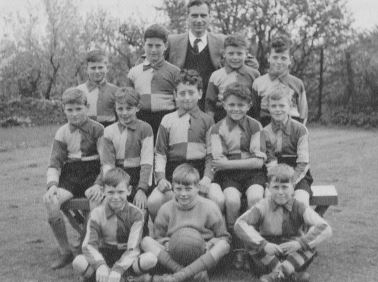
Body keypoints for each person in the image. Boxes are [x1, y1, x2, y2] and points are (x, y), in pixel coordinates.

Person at [234, 164, 332, 282]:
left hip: (292, 254)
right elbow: (239, 224)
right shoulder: (263, 206)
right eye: (276, 187)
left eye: (285, 187)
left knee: (310, 243)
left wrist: (300, 243)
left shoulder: (299, 206)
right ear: (268, 187)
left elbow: (324, 227)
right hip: (269, 255)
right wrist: (264, 245)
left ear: (293, 187)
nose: (280, 192)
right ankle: (290, 275)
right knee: (250, 242)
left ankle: (277, 275)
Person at [42, 87, 104, 269]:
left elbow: (106, 161)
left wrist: (100, 184)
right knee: (51, 201)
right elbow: (54, 162)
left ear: (87, 107)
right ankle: (66, 251)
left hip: (93, 173)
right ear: (64, 110)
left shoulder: (98, 129)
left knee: (95, 202)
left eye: (78, 109)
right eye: (69, 110)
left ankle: (88, 248)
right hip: (71, 174)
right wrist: (52, 185)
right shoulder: (62, 132)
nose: (74, 114)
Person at [208, 82, 267, 268]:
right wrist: (238, 162)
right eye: (231, 104)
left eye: (241, 105)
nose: (236, 109)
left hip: (253, 174)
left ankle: (254, 247)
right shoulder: (217, 128)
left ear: (249, 105)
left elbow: (258, 162)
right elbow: (218, 162)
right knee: (231, 201)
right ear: (224, 105)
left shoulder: (255, 125)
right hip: (229, 177)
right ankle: (237, 248)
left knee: (256, 197)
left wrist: (228, 163)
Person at [147, 69, 218, 221]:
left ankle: (216, 235)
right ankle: (162, 234)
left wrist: (207, 178)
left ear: (200, 93)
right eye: (182, 93)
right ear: (175, 95)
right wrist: (160, 179)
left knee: (219, 198)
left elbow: (212, 155)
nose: (187, 98)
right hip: (174, 172)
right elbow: (160, 153)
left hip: (199, 171)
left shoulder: (208, 121)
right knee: (153, 202)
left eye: (191, 93)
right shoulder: (167, 120)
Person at [141, 164, 230, 282]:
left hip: (202, 255)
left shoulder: (210, 207)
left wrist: (209, 244)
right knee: (146, 242)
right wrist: (167, 242)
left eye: (188, 189)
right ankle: (189, 274)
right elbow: (158, 237)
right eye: (178, 189)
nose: (183, 194)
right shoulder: (166, 209)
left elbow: (224, 237)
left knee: (223, 246)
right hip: (174, 254)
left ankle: (177, 277)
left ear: (197, 187)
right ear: (172, 187)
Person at [166, 0, 259, 111]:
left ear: (209, 17)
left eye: (203, 15)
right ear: (187, 17)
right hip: (183, 104)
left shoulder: (222, 41)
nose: (199, 20)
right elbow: (150, 58)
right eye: (194, 15)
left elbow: (251, 63)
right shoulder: (173, 41)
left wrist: (230, 73)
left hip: (214, 107)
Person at [72, 168, 157, 282]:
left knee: (150, 259)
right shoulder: (96, 213)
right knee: (78, 262)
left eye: (120, 192)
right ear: (103, 191)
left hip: (126, 256)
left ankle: (115, 278)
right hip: (104, 254)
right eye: (111, 192)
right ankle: (124, 279)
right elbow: (88, 246)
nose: (116, 197)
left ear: (129, 190)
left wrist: (118, 269)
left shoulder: (137, 214)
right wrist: (100, 265)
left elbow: (133, 249)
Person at [97, 87, 154, 210]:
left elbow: (147, 162)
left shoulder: (145, 129)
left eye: (129, 108)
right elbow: (107, 164)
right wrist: (112, 188)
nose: (124, 113)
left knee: (139, 209)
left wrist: (142, 189)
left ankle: (141, 228)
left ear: (137, 107)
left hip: (138, 177)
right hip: (117, 176)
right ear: (115, 108)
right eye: (120, 109)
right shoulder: (108, 131)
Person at [262, 86, 313, 206]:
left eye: (282, 105)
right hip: (274, 175)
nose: (277, 110)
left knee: (301, 201)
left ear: (290, 106)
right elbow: (270, 161)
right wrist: (278, 183)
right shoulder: (265, 132)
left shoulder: (300, 130)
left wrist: (291, 182)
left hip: (298, 175)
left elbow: (303, 162)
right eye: (273, 106)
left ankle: (301, 224)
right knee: (268, 199)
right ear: (268, 108)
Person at [127, 24, 180, 137]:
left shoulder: (175, 72)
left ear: (165, 46)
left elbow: (179, 102)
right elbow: (129, 101)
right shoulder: (134, 72)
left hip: (166, 119)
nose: (153, 50)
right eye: (150, 45)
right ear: (144, 45)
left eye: (158, 46)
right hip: (141, 119)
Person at [252, 35, 308, 127]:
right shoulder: (258, 83)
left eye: (283, 58)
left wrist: (300, 131)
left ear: (290, 60)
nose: (279, 62)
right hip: (266, 126)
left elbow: (303, 113)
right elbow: (255, 111)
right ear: (268, 58)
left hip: (291, 126)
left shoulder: (298, 84)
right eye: (275, 57)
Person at [205, 33, 260, 122]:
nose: (235, 57)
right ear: (224, 54)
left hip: (247, 118)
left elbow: (257, 103)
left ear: (246, 54)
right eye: (231, 53)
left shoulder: (254, 74)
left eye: (239, 54)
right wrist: (211, 123)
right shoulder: (216, 75)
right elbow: (210, 103)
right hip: (222, 118)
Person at [77, 49, 119, 127]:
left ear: (107, 68)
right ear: (86, 69)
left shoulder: (115, 91)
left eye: (100, 67)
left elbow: (120, 118)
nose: (97, 71)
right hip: (86, 132)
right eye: (93, 68)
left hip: (108, 133)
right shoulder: (79, 91)